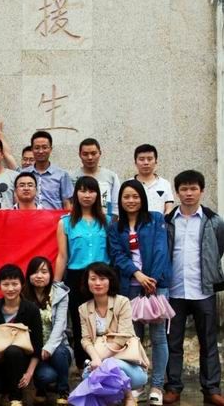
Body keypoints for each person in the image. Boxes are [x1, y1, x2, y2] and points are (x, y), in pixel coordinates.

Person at [163, 170, 224, 406]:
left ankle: (211, 389)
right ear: (177, 192)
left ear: (202, 191)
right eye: (184, 189)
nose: (189, 193)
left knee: (208, 342)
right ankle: (173, 387)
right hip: (175, 291)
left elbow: (218, 249)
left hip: (203, 290)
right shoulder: (168, 221)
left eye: (193, 188)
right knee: (173, 342)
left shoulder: (214, 221)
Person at [108, 179, 171, 405]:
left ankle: (157, 386)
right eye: (126, 197)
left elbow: (161, 249)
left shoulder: (155, 219)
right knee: (132, 338)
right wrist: (138, 275)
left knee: (158, 336)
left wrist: (151, 279)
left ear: (142, 199)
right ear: (120, 200)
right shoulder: (115, 227)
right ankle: (138, 384)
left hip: (156, 285)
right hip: (130, 286)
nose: (131, 200)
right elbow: (117, 255)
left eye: (135, 196)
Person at [54, 176, 109, 369]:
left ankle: (105, 364)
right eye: (83, 190)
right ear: (76, 194)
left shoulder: (107, 221)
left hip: (103, 277)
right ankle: (82, 366)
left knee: (104, 320)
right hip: (77, 277)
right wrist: (56, 285)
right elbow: (62, 255)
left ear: (97, 195)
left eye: (91, 191)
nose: (87, 195)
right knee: (79, 322)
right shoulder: (65, 222)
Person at [0, 264, 42, 406]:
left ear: (22, 285)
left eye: (15, 284)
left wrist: (29, 373)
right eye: (6, 284)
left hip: (21, 360)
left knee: (13, 350)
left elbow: (37, 345)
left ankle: (16, 398)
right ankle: (10, 388)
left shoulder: (31, 309)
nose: (10, 289)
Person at [79, 263, 147, 406]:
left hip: (129, 366)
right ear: (87, 282)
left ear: (110, 281)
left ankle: (128, 396)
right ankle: (112, 399)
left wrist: (100, 359)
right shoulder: (83, 309)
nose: (98, 283)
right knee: (86, 375)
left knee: (109, 366)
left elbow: (123, 336)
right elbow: (85, 340)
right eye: (93, 279)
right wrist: (95, 358)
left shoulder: (122, 302)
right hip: (100, 361)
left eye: (102, 278)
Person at [24, 257, 72, 405]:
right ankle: (41, 388)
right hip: (34, 350)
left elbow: (60, 325)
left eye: (44, 272)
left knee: (59, 352)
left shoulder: (60, 294)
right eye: (35, 272)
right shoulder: (22, 295)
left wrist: (49, 347)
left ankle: (63, 390)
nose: (39, 276)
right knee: (46, 376)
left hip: (57, 346)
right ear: (29, 275)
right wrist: (37, 350)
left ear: (51, 274)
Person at [22, 131, 73, 210]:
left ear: (50, 149)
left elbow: (67, 203)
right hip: (30, 217)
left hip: (55, 217)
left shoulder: (62, 175)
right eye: (37, 148)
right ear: (32, 149)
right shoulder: (23, 174)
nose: (41, 151)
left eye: (44, 147)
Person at [71, 138, 120, 217]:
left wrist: (112, 221)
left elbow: (116, 205)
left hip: (105, 220)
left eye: (93, 153)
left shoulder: (111, 176)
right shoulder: (72, 177)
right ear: (80, 155)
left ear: (100, 153)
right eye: (85, 154)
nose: (90, 157)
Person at [131, 144, 174, 215]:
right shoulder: (129, 184)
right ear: (135, 162)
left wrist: (162, 220)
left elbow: (169, 208)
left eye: (150, 159)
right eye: (141, 159)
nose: (146, 163)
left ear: (156, 162)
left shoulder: (164, 183)